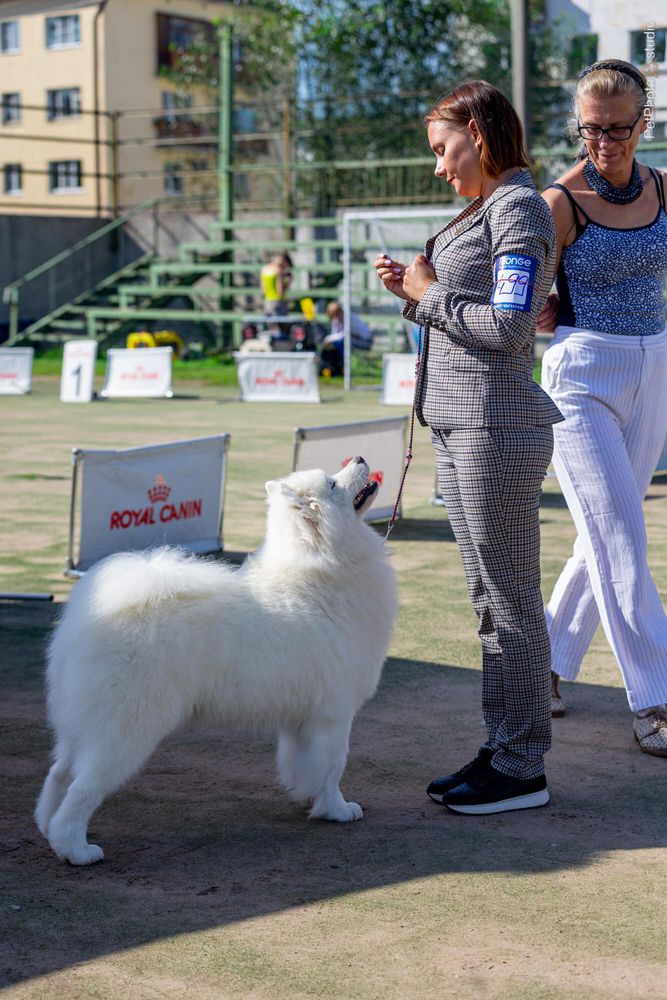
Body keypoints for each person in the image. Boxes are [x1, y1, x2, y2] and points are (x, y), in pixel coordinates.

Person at [375, 80, 563, 815]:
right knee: (488, 601)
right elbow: (473, 312)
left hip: (497, 426)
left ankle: (522, 767)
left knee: (510, 602)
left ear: (478, 135)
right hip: (463, 425)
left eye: (441, 148)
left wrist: (425, 294)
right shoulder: (489, 209)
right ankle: (502, 747)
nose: (437, 166)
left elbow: (510, 329)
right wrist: (414, 294)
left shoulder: (517, 208)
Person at [535, 60, 667, 755]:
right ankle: (655, 699)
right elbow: (519, 295)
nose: (604, 144)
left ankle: (545, 666)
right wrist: (531, 310)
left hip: (653, 363)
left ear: (643, 123)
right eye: (590, 130)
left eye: (618, 129)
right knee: (620, 536)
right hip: (581, 374)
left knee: (607, 532)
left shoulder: (664, 188)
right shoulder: (559, 201)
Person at [319, 302, 373, 375]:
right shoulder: (337, 319)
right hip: (353, 340)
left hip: (364, 341)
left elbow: (344, 334)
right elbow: (335, 334)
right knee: (336, 343)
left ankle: (344, 365)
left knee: (341, 342)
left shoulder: (347, 317)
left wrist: (328, 339)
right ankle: (333, 366)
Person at [260, 253, 293, 336]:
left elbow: (263, 290)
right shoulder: (278, 270)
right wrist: (288, 283)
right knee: (281, 329)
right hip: (278, 302)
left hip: (267, 302)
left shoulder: (264, 269)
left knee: (270, 327)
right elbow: (280, 291)